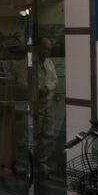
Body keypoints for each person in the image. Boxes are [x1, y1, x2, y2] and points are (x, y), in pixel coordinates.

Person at [34, 36, 60, 177]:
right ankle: (29, 164)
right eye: (45, 48)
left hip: (47, 103)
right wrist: (38, 89)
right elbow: (23, 81)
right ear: (38, 47)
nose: (47, 51)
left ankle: (42, 163)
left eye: (49, 49)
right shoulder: (29, 61)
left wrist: (47, 88)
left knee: (48, 134)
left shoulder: (49, 63)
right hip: (34, 103)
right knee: (34, 134)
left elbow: (55, 81)